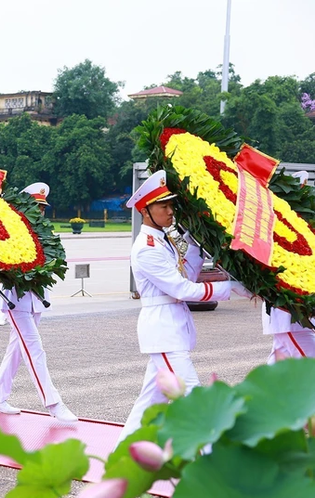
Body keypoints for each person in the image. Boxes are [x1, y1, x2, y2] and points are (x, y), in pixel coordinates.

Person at [116, 170, 251, 443]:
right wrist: (231, 287)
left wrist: (193, 245)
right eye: (162, 206)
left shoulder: (161, 240)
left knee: (149, 402)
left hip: (170, 327)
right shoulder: (146, 248)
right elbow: (182, 289)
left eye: (170, 205)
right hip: (163, 330)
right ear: (145, 211)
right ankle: (212, 459)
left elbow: (184, 276)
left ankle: (122, 450)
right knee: (192, 395)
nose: (170, 211)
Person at [0, 183, 77, 423]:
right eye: (36, 207)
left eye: (43, 208)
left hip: (37, 300)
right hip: (17, 301)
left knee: (15, 352)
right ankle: (53, 403)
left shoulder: (42, 234)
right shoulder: (11, 233)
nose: (40, 212)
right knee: (34, 350)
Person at [261, 170, 315, 362]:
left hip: (293, 319)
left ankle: (257, 393)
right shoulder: (278, 228)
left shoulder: (303, 226)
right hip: (290, 317)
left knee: (278, 370)